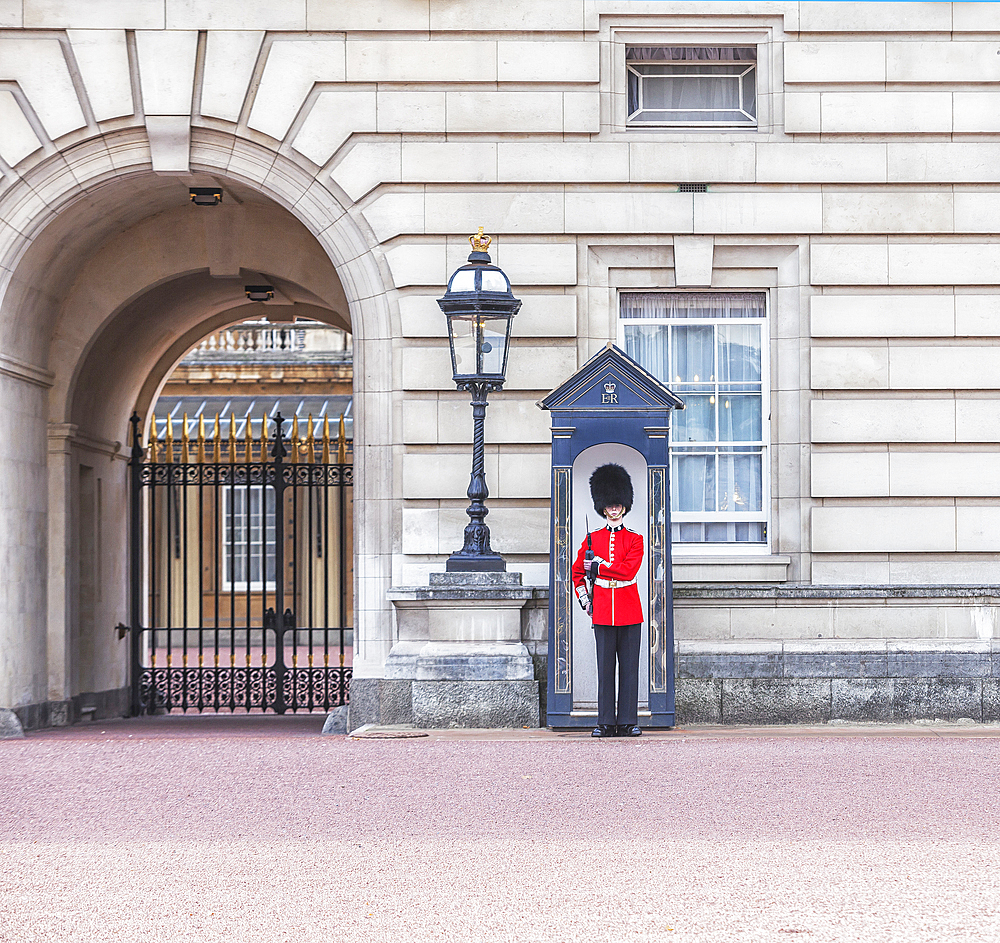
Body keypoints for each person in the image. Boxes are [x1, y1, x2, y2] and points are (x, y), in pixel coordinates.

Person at [571, 463, 644, 738]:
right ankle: (605, 721)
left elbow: (627, 571)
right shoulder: (592, 539)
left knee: (629, 669)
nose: (614, 509)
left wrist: (599, 567)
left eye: (618, 505)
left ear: (624, 507)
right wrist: (586, 601)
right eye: (610, 505)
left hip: (628, 609)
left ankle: (627, 721)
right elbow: (577, 572)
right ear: (603, 508)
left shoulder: (635, 539)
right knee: (605, 669)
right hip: (601, 608)